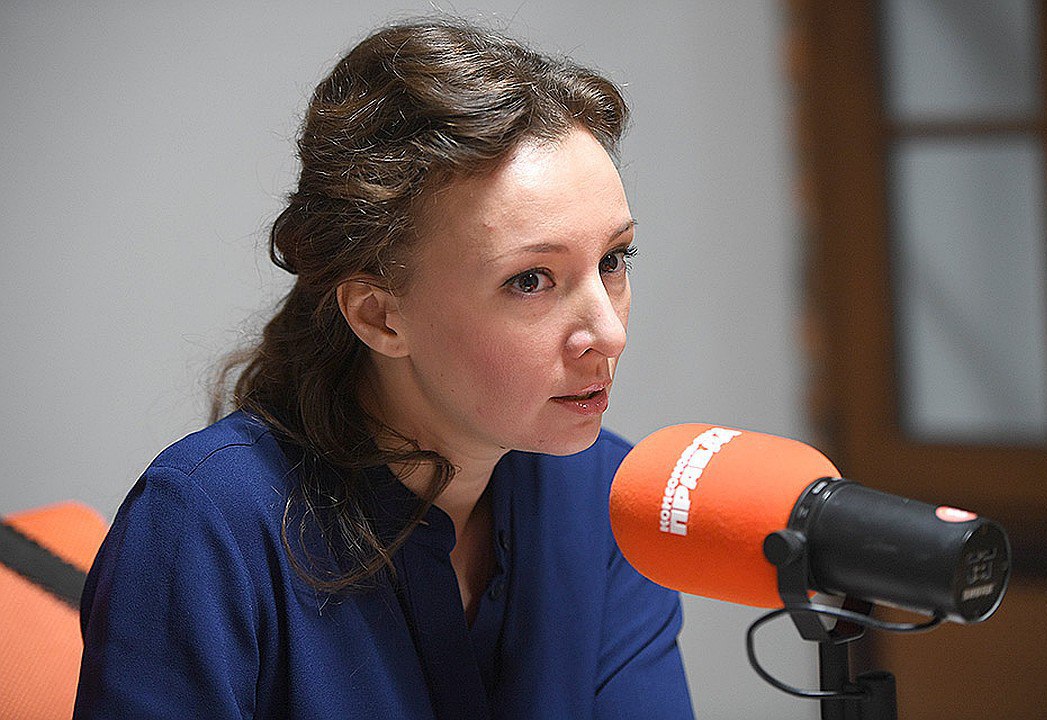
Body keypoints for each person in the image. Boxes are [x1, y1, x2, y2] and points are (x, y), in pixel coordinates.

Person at [74, 18, 695, 720]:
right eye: (530, 281)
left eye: (613, 260)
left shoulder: (615, 501)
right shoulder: (203, 523)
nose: (609, 333)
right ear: (379, 316)